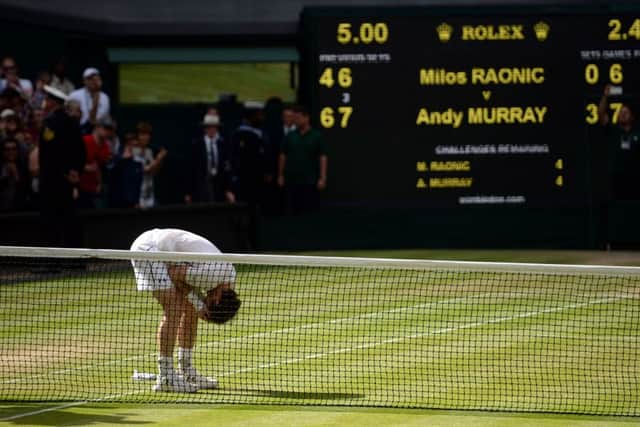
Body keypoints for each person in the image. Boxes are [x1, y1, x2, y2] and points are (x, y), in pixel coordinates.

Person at [130, 228, 241, 393]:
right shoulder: (211, 276)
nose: (206, 299)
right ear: (217, 299)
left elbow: (184, 280)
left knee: (190, 309)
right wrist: (199, 304)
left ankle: (186, 371)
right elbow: (174, 273)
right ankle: (166, 377)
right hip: (149, 248)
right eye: (209, 302)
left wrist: (198, 305)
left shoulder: (228, 280)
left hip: (167, 254)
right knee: (174, 308)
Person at [39, 85, 86, 247]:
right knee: (69, 218)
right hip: (66, 180)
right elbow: (80, 152)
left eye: (46, 99)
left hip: (53, 180)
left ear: (53, 102)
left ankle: (51, 263)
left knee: (52, 220)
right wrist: (74, 171)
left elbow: (52, 153)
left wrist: (66, 172)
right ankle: (76, 260)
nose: (44, 102)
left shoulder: (50, 123)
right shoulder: (71, 122)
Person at [278, 105, 328, 214]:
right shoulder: (290, 136)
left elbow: (322, 157)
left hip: (310, 181)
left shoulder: (317, 136)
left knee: (309, 210)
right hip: (292, 180)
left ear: (306, 118)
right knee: (292, 210)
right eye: (294, 118)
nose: (295, 121)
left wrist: (322, 178)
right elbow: (283, 156)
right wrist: (281, 175)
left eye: (298, 118)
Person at [598, 84, 640, 200]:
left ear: (632, 117)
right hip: (618, 177)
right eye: (621, 112)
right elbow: (601, 115)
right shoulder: (614, 130)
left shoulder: (637, 132)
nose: (622, 114)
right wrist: (605, 96)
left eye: (626, 112)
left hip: (636, 177)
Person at [185, 113, 234, 204]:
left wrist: (228, 189)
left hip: (219, 187)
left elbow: (226, 168)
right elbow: (191, 169)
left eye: (214, 127)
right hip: (201, 186)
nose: (211, 129)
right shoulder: (197, 145)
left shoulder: (222, 144)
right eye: (208, 127)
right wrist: (188, 192)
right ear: (204, 128)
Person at [229, 101, 270, 205]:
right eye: (259, 115)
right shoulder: (239, 135)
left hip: (259, 180)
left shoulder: (261, 133)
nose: (262, 118)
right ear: (251, 116)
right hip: (245, 180)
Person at [78, 118, 113, 209]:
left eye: (110, 129)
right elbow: (69, 162)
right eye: (105, 128)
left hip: (93, 190)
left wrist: (99, 184)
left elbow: (99, 168)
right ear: (97, 127)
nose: (108, 132)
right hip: (79, 187)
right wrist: (85, 167)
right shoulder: (85, 141)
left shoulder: (106, 147)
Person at [67, 67, 111, 133]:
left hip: (97, 132)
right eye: (90, 79)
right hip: (76, 130)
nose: (93, 81)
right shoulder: (74, 95)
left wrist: (97, 92)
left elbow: (95, 120)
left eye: (96, 79)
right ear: (84, 80)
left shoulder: (105, 97)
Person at [135, 121, 167, 209]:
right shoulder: (133, 151)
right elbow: (144, 170)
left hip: (150, 196)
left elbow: (153, 172)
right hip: (137, 197)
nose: (146, 137)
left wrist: (160, 162)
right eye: (142, 134)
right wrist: (158, 158)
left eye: (147, 134)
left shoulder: (149, 151)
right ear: (137, 136)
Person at [108, 132, 143, 208]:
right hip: (117, 204)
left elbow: (138, 183)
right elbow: (111, 177)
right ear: (126, 145)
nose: (135, 148)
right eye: (132, 145)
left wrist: (137, 201)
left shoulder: (138, 162)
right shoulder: (116, 159)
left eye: (137, 145)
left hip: (133, 204)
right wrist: (122, 160)